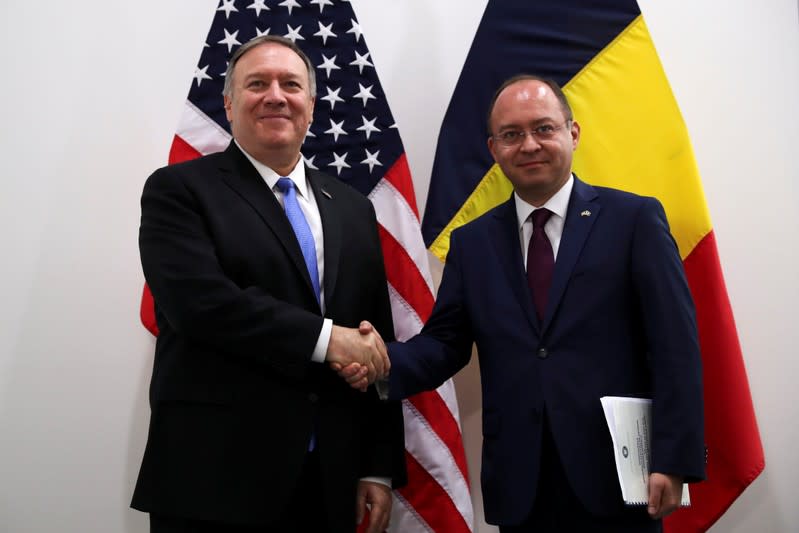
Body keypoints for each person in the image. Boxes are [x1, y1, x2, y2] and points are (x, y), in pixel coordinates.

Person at [342, 75, 705, 532]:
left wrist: (674, 459)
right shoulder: (473, 243)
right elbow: (445, 343)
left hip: (618, 480)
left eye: (543, 128)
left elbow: (675, 348)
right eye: (512, 135)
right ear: (494, 149)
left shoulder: (634, 220)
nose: (529, 144)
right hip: (522, 484)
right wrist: (380, 360)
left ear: (572, 133)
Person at [131, 35, 406, 533]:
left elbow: (374, 337)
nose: (275, 95)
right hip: (214, 481)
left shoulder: (351, 207)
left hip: (329, 481)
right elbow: (202, 306)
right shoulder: (178, 190)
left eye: (291, 84)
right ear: (230, 104)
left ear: (311, 105)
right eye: (257, 84)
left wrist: (377, 465)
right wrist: (328, 339)